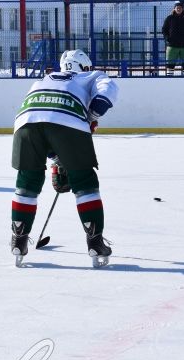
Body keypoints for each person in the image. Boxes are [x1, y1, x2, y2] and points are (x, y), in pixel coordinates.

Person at [9, 49, 119, 267]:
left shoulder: (45, 79)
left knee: (28, 180)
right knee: (85, 181)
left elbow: (45, 119)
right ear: (84, 67)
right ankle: (95, 242)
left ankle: (19, 239)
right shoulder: (92, 76)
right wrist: (91, 116)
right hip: (68, 121)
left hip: (25, 122)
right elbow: (107, 93)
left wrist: (58, 159)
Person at [161, 0, 184, 75]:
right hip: (172, 46)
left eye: (180, 8)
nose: (178, 9)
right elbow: (164, 29)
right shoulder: (169, 18)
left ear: (183, 9)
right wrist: (167, 38)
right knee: (170, 65)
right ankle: (169, 80)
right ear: (174, 8)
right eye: (177, 7)